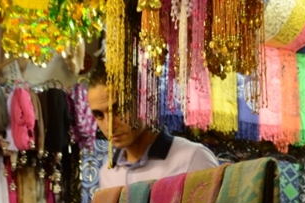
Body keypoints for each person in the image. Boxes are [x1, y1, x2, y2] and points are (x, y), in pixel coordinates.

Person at [87, 65, 219, 190]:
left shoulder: (193, 159)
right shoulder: (108, 174)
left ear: (144, 102)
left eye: (118, 110)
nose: (109, 125)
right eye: (99, 115)